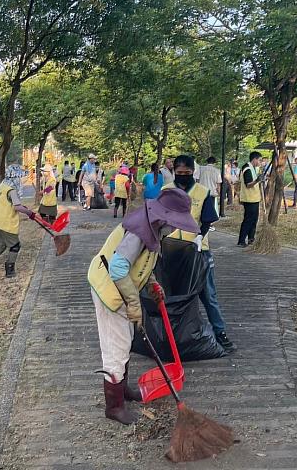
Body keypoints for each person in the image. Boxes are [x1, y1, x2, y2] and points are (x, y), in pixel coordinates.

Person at [87, 188, 198, 424]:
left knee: (126, 339)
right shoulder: (139, 231)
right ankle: (114, 406)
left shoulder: (153, 227)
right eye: (174, 223)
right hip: (108, 289)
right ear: (164, 216)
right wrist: (134, 304)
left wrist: (152, 284)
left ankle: (123, 389)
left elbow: (140, 264)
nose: (175, 228)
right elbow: (118, 267)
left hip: (120, 288)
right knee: (116, 346)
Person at [163, 155, 235, 352]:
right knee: (172, 295)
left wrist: (198, 238)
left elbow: (207, 220)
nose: (183, 176)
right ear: (174, 172)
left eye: (187, 173)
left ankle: (220, 333)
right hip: (171, 251)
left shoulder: (203, 192)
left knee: (208, 294)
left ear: (193, 172)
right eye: (179, 173)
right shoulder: (166, 191)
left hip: (198, 251)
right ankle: (170, 335)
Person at [237, 152, 264, 247]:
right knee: (248, 220)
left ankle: (251, 238)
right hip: (249, 199)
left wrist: (259, 180)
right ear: (254, 159)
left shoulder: (253, 168)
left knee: (254, 220)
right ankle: (241, 240)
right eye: (260, 160)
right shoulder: (247, 168)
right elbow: (248, 184)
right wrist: (257, 180)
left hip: (255, 198)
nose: (260, 162)